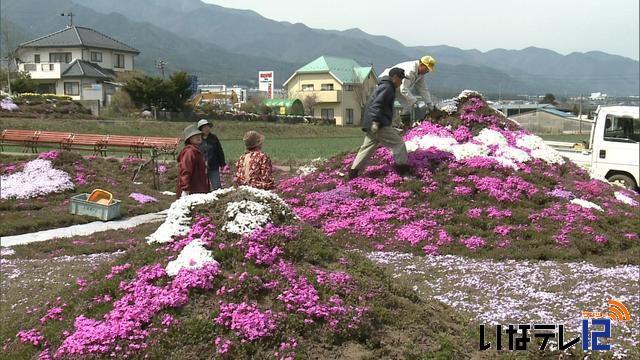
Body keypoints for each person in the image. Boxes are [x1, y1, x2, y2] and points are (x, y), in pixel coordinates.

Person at [349, 67, 412, 180]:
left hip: (372, 123)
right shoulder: (387, 88)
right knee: (399, 144)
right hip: (379, 124)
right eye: (401, 79)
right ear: (395, 78)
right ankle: (403, 171)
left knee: (367, 148)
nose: (401, 82)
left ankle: (353, 173)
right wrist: (376, 122)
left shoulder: (384, 86)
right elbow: (377, 105)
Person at [379, 55, 436, 126]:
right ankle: (398, 125)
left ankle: (403, 125)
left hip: (395, 87)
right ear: (421, 65)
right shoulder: (410, 70)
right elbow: (403, 89)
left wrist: (429, 103)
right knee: (390, 107)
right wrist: (416, 102)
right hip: (385, 84)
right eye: (427, 69)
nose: (427, 71)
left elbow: (423, 89)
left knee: (406, 105)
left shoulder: (420, 73)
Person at [176, 124, 210, 198]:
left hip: (198, 191)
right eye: (194, 135)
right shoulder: (190, 152)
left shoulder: (196, 151)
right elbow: (185, 170)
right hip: (192, 192)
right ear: (189, 139)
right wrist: (185, 190)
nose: (198, 137)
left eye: (199, 135)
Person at [196, 119, 226, 190]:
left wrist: (222, 164)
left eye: (208, 127)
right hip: (201, 167)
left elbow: (219, 151)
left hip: (213, 166)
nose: (207, 129)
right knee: (203, 187)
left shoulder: (213, 138)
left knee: (217, 187)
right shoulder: (198, 139)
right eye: (204, 127)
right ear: (201, 129)